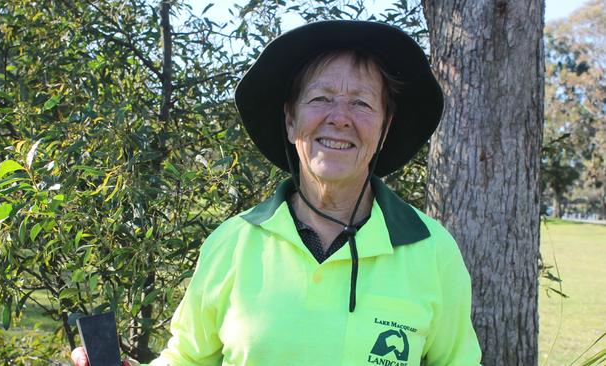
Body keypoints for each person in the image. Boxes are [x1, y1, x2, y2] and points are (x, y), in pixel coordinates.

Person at [72, 20, 481, 366]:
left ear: (384, 128)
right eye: (320, 98)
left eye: (361, 103)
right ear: (290, 120)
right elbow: (188, 357)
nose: (339, 118)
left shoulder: (432, 253)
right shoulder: (232, 244)